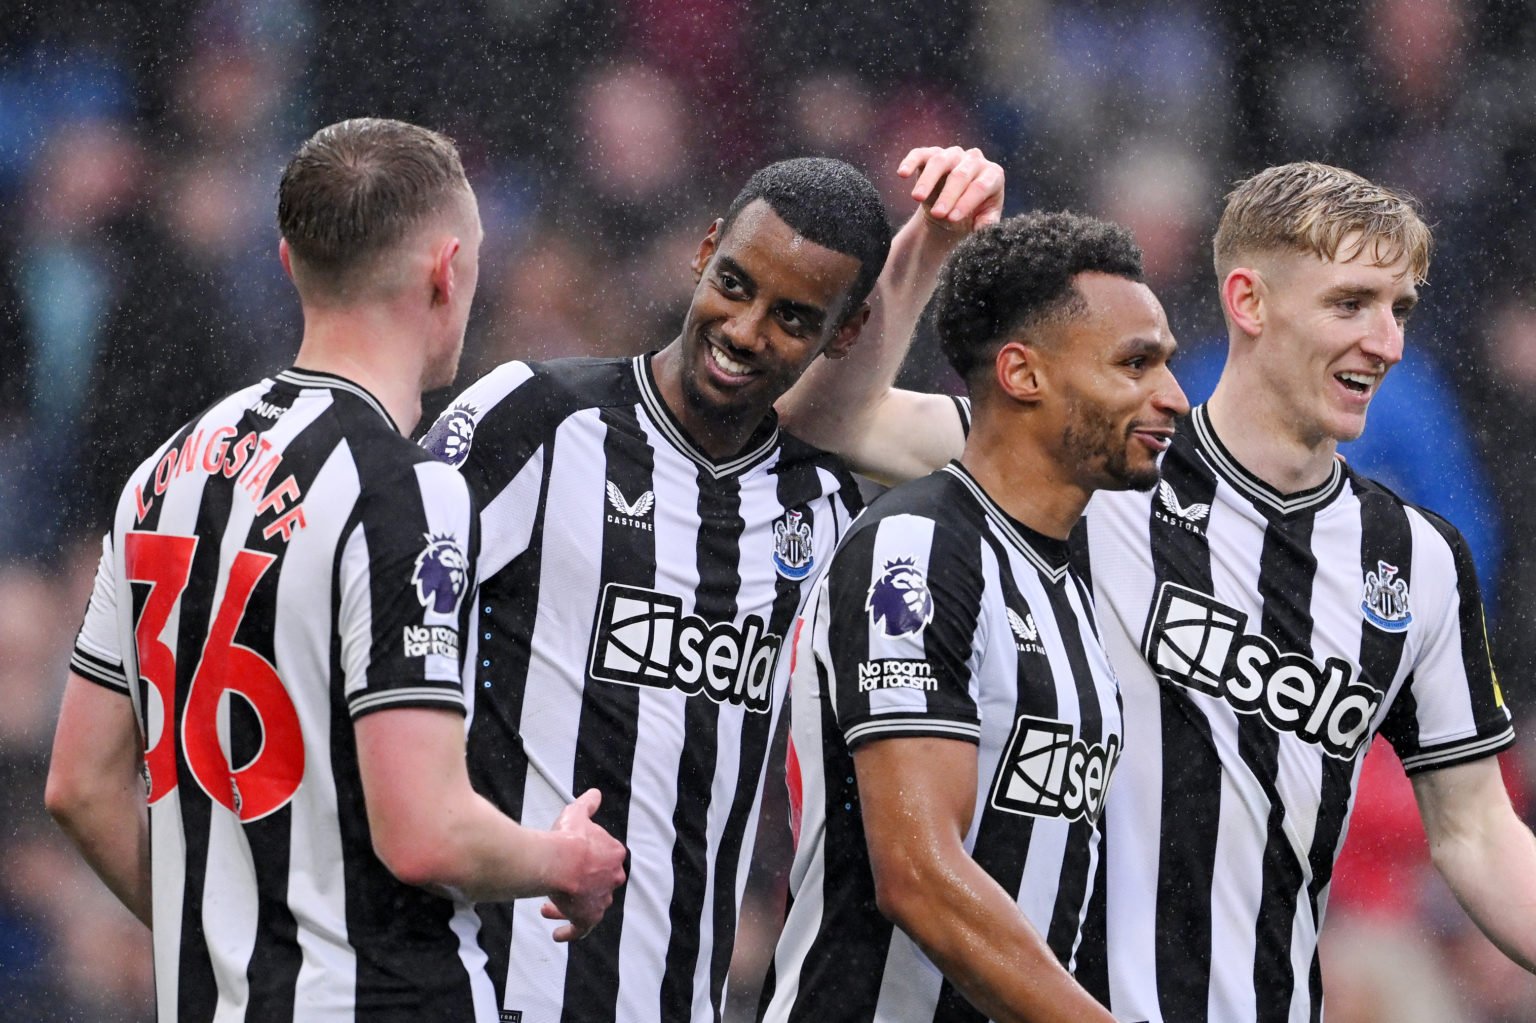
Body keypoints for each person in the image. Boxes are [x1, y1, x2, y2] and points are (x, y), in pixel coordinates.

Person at [780, 161, 1536, 1020]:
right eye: (1351, 303)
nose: (1387, 341)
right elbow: (828, 419)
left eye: (1399, 309)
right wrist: (929, 248)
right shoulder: (1094, 458)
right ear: (1249, 302)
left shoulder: (1418, 559)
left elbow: (1477, 833)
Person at [44, 117, 627, 1022]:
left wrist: (223, 942)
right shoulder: (408, 492)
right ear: (447, 271)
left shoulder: (163, 472)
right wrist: (568, 864)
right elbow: (424, 831)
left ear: (287, 262)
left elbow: (79, 785)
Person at [420, 145, 1005, 1023]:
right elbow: (373, 618)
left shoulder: (829, 500)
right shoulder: (535, 418)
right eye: (734, 283)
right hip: (485, 990)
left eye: (792, 317)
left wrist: (930, 247)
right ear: (703, 251)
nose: (743, 329)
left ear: (841, 336)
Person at [761, 211, 1185, 1022]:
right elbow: (918, 874)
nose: (1170, 396)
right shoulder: (917, 551)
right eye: (1135, 364)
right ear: (1022, 374)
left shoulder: (1065, 580)